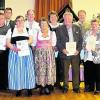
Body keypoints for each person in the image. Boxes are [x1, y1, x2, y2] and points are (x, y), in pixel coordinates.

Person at [6, 15, 35, 96]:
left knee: (27, 70)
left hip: (26, 52)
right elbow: (8, 42)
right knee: (17, 71)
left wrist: (23, 45)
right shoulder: (11, 30)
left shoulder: (28, 30)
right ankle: (19, 89)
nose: (20, 22)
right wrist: (14, 48)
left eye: (22, 20)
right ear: (16, 21)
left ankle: (29, 89)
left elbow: (31, 40)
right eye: (18, 20)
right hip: (15, 53)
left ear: (24, 21)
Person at [56, 11, 83, 93]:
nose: (67, 19)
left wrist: (78, 50)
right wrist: (63, 49)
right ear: (63, 19)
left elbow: (81, 40)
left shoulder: (77, 27)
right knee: (65, 71)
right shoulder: (59, 28)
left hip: (75, 53)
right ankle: (65, 87)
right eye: (66, 18)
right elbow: (57, 41)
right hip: (65, 53)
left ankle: (76, 87)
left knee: (76, 70)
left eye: (69, 18)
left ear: (72, 19)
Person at [33, 17, 56, 95]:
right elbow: (34, 45)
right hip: (39, 55)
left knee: (48, 70)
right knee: (40, 70)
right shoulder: (36, 33)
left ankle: (47, 87)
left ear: (47, 24)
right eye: (42, 24)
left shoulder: (52, 33)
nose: (43, 25)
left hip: (49, 55)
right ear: (39, 25)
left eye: (45, 24)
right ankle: (41, 87)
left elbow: (53, 45)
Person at [74, 10, 91, 91]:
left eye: (83, 15)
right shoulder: (74, 25)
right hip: (77, 50)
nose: (81, 16)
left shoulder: (89, 25)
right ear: (78, 16)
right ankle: (77, 85)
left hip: (87, 50)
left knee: (87, 68)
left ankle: (87, 85)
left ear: (85, 15)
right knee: (76, 68)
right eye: (80, 15)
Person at [83, 19, 100, 94]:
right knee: (88, 72)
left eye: (95, 25)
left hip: (97, 57)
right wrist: (85, 47)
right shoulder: (87, 33)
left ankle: (98, 89)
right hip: (88, 56)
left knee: (97, 73)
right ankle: (90, 87)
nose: (94, 26)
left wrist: (97, 48)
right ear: (91, 25)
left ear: (98, 25)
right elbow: (83, 43)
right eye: (93, 24)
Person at [48, 11, 63, 88]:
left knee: (59, 66)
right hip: (49, 49)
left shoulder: (61, 26)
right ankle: (51, 83)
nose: (53, 18)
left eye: (54, 17)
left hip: (59, 49)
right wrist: (52, 46)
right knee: (50, 66)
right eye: (51, 17)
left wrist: (58, 47)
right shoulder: (47, 26)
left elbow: (63, 38)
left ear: (57, 17)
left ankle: (58, 82)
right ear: (49, 18)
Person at [0, 13, 9, 90]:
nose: (0, 20)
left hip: (4, 52)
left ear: (4, 19)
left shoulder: (8, 29)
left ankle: (3, 85)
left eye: (2, 18)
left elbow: (10, 40)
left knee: (4, 69)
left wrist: (7, 44)